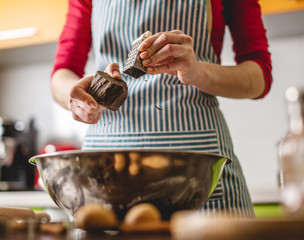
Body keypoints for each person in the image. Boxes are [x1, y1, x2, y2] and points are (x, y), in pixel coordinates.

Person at [50, 0, 272, 218]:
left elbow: (259, 75)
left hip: (200, 175)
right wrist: (77, 96)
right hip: (107, 175)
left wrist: (199, 73)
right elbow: (63, 71)